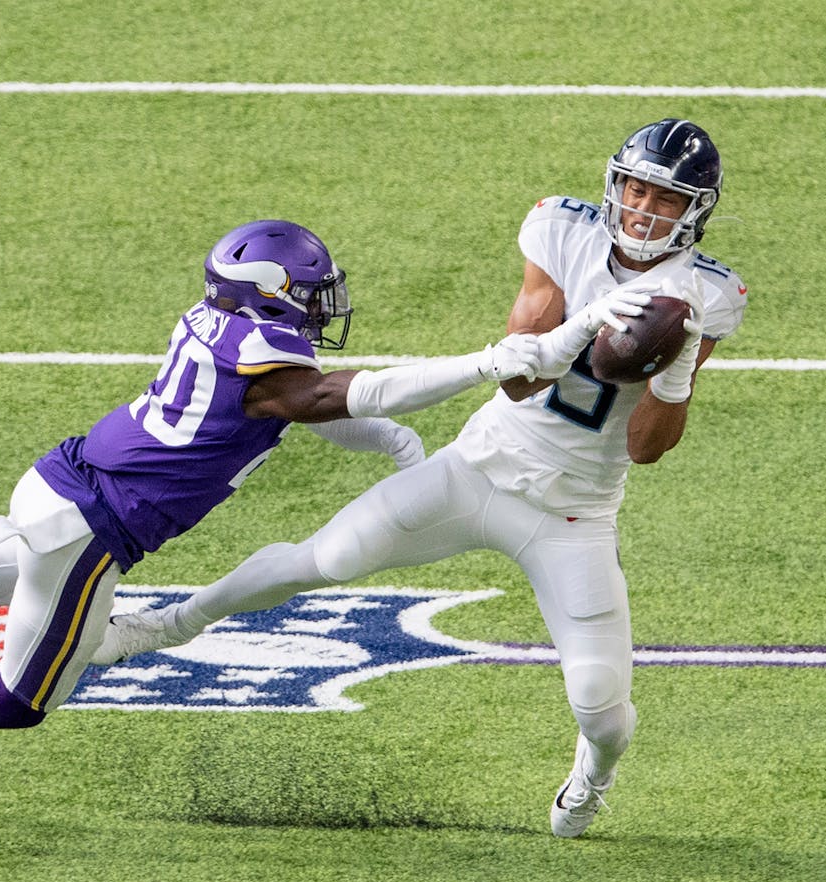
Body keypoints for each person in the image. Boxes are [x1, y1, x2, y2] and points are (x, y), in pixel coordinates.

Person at [0, 218, 564, 814]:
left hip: (57, 478)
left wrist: (387, 438)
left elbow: (296, 403)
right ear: (273, 293)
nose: (324, 307)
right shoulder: (266, 357)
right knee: (21, 698)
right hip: (90, 528)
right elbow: (327, 394)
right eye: (313, 293)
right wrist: (481, 365)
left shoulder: (221, 326)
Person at [92, 119, 748, 839]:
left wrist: (676, 372)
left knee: (599, 704)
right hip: (480, 468)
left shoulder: (702, 295)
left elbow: (648, 447)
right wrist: (588, 321)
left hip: (575, 513)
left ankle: (593, 778)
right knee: (331, 555)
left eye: (663, 197)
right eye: (634, 187)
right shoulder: (562, 230)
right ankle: (167, 625)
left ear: (696, 209)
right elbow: (519, 384)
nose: (643, 208)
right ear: (613, 184)